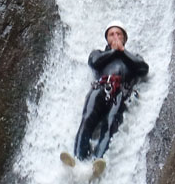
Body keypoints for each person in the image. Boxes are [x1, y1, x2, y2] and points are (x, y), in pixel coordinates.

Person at [63, 21, 149, 169]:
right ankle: (77, 158)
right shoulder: (99, 53)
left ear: (124, 38)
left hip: (121, 93)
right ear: (107, 39)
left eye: (118, 34)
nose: (115, 36)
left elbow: (143, 68)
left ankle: (98, 160)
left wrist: (122, 51)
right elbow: (94, 62)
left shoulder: (132, 57)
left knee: (110, 124)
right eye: (112, 34)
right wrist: (114, 51)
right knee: (87, 118)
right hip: (100, 88)